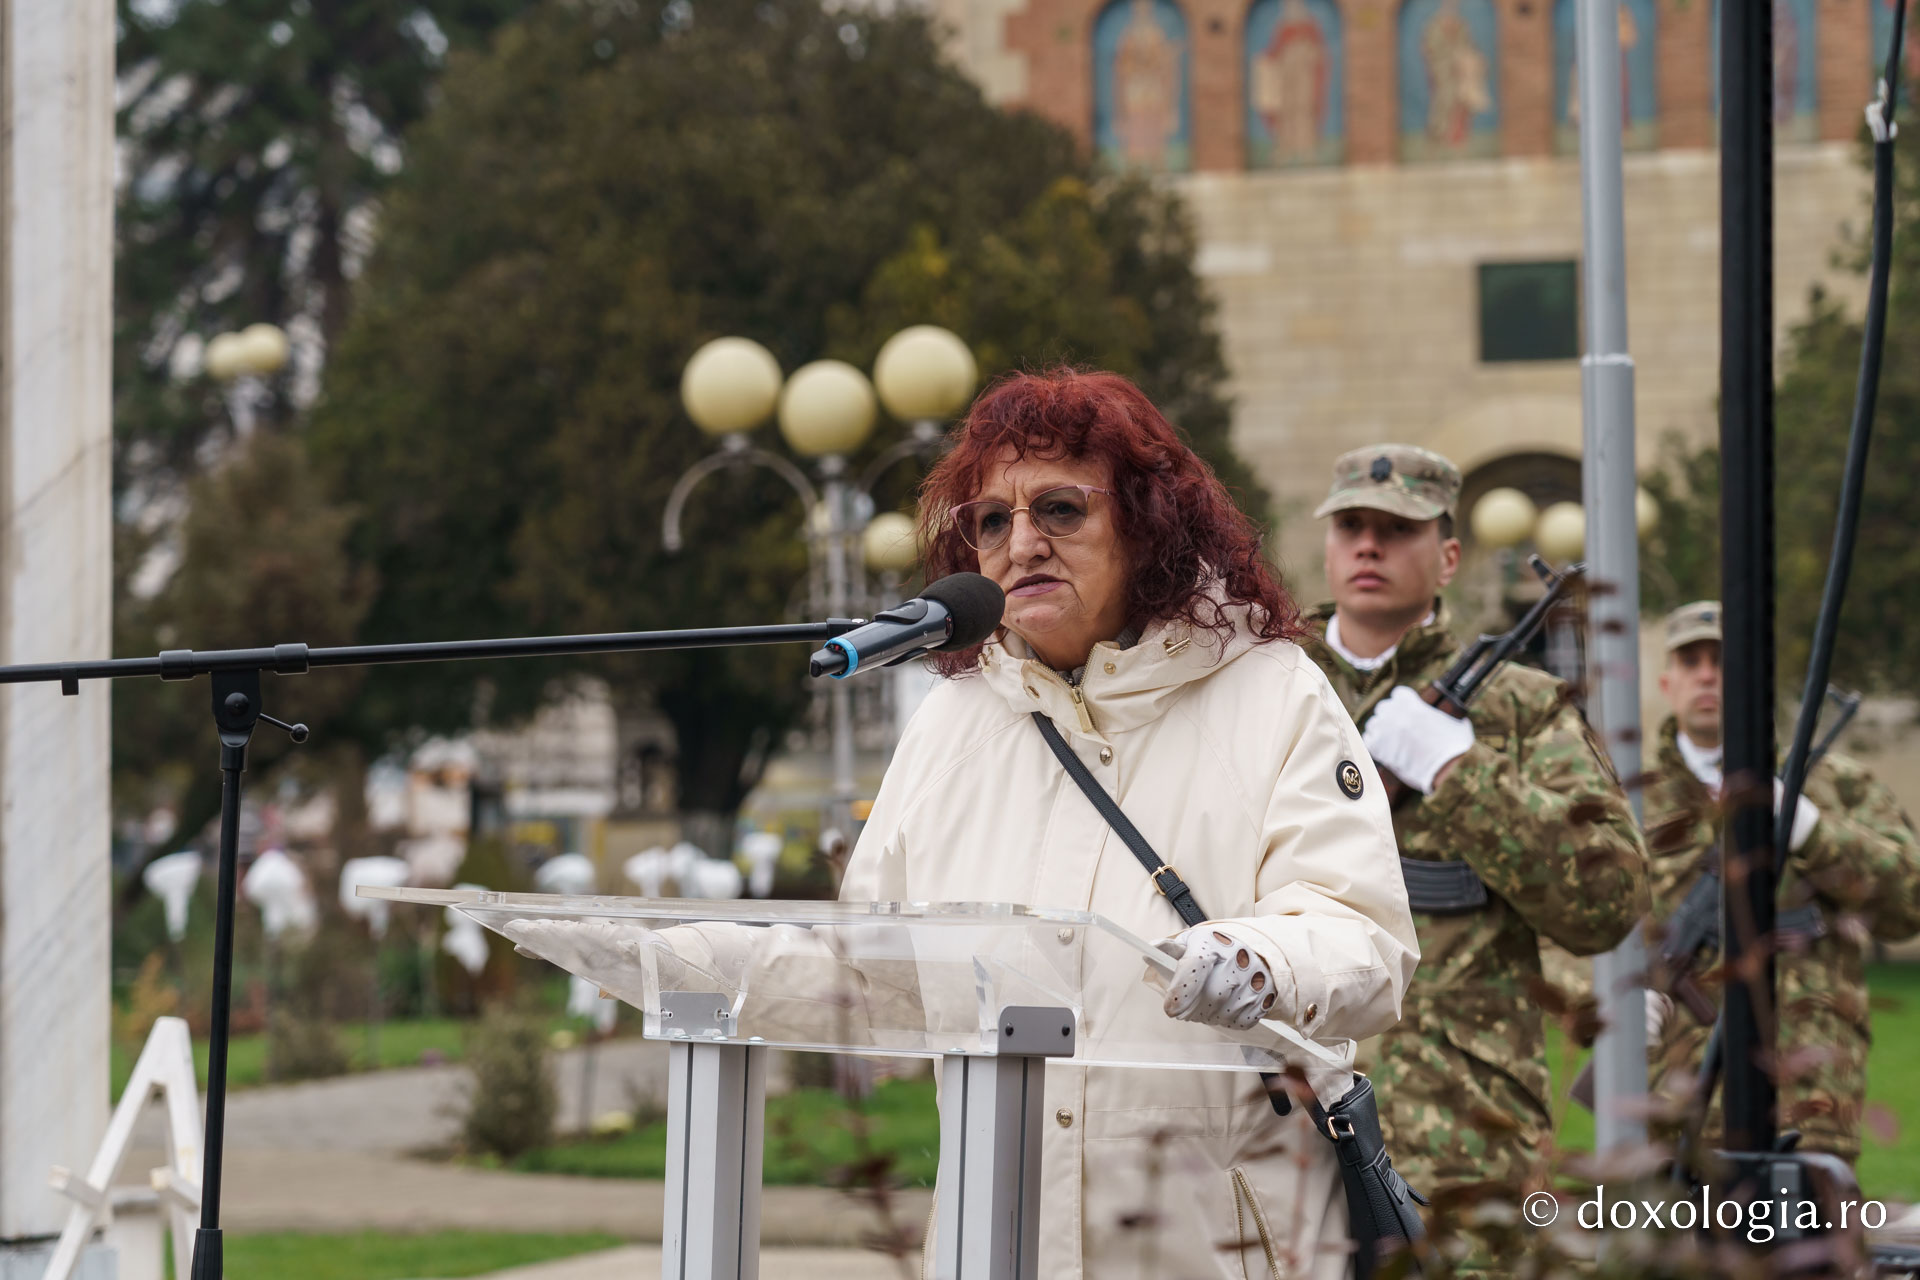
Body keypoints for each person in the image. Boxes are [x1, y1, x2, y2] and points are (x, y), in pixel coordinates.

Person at [847, 370, 1419, 1279]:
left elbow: (1368, 945)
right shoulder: (949, 721)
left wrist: (1261, 962)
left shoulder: (1273, 691)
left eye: (1060, 510)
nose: (1021, 542)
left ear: (1148, 521)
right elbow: (867, 965)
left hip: (1212, 1244)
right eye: (992, 521)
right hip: (997, 1243)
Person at [1298, 445, 1650, 1251]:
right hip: (1280, 1109)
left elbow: (1610, 900)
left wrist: (1459, 771)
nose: (1369, 546)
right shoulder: (1268, 687)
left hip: (1464, 1130)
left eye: (1397, 529)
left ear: (1448, 556)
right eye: (1351, 525)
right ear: (1328, 545)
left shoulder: (1519, 707)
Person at [1643, 601, 1920, 1165]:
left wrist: (1815, 834)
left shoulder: (1828, 785)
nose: (1706, 673)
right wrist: (1618, 996)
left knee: (1809, 1250)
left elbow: (1909, 904)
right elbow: (1574, 930)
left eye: (1721, 659)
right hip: (1675, 1103)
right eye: (1691, 660)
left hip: (1809, 1101)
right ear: (1667, 681)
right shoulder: (1632, 799)